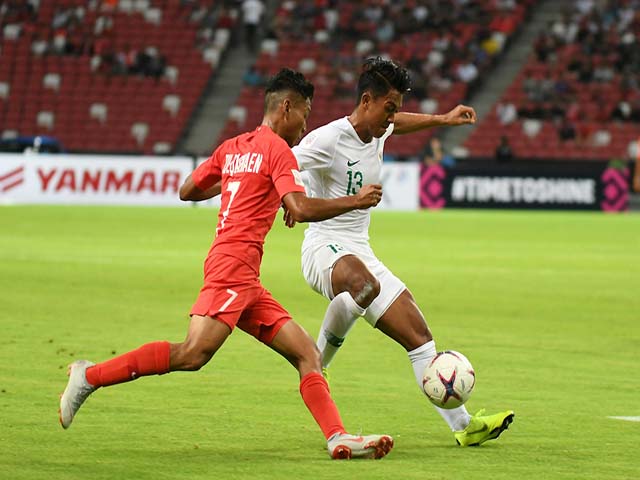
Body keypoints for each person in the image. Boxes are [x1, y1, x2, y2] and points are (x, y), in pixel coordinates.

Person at [58, 69, 394, 460]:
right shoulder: (277, 151)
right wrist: (353, 200)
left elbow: (187, 190)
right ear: (286, 107)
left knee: (307, 353)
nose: (305, 124)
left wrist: (243, 178)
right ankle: (90, 375)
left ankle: (337, 436)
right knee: (193, 353)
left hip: (245, 277)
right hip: (231, 267)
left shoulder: (233, 147)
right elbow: (299, 209)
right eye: (304, 112)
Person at [288, 57, 515, 447]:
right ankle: (317, 364)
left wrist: (443, 120)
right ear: (366, 100)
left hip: (361, 250)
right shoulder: (326, 140)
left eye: (395, 108)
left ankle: (464, 426)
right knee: (361, 284)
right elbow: (284, 163)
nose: (392, 118)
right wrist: (288, 198)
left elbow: (399, 124)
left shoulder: (379, 127)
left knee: (420, 336)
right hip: (323, 246)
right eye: (388, 107)